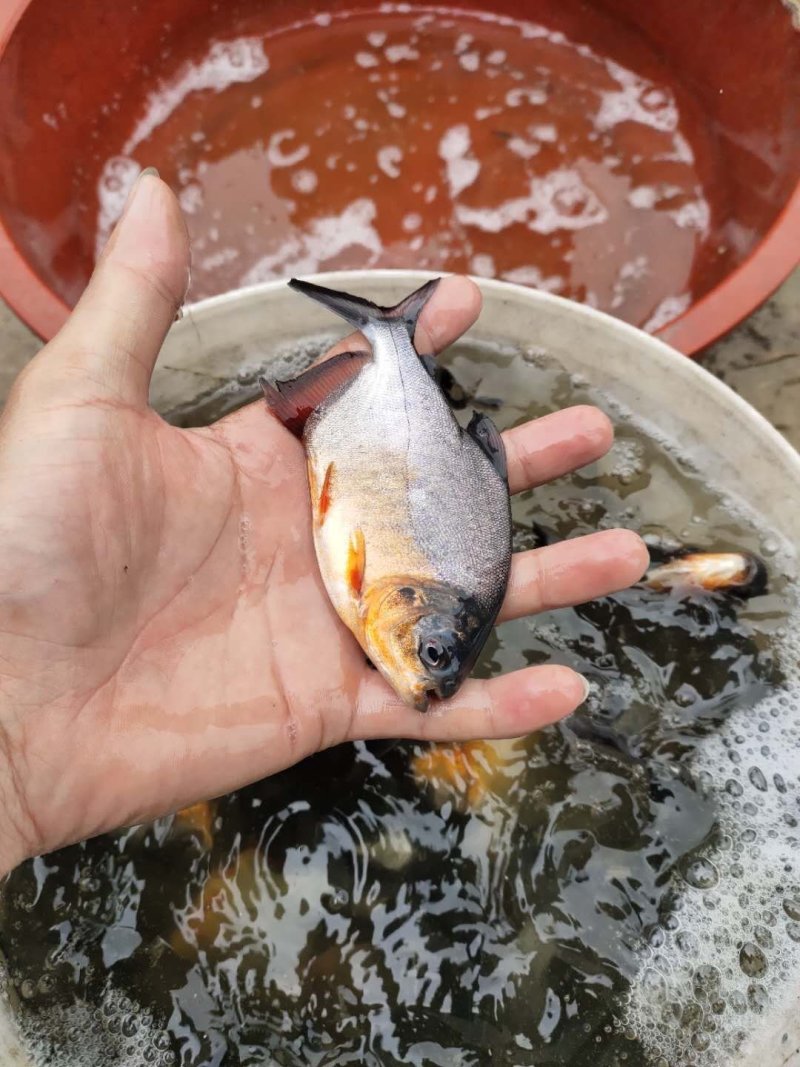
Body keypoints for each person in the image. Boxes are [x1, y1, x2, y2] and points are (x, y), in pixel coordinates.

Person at [0, 172, 648, 878]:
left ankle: (388, 337)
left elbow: (476, 457)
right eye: (435, 655)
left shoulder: (404, 591)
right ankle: (392, 334)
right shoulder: (395, 587)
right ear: (414, 608)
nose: (431, 681)